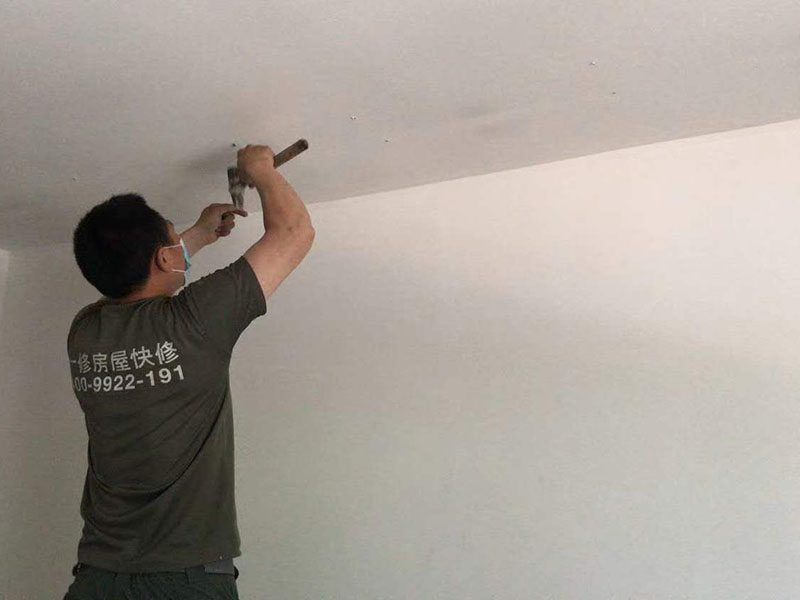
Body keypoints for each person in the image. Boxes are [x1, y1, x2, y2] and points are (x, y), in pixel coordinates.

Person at [62, 145, 315, 599]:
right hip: (184, 582)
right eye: (172, 242)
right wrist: (260, 169)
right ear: (163, 258)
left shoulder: (84, 332)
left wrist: (194, 236)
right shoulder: (194, 321)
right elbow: (293, 232)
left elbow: (128, 276)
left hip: (96, 578)